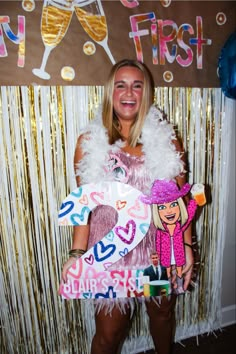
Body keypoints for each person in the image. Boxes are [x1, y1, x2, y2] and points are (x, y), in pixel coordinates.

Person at [61, 59, 194, 354]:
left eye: (137, 85)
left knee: (161, 314)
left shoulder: (167, 141)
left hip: (157, 248)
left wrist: (184, 246)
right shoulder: (90, 141)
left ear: (146, 93)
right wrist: (77, 254)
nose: (129, 92)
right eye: (121, 84)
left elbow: (179, 200)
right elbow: (85, 203)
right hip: (111, 249)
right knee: (109, 332)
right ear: (111, 91)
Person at [141, 180, 197, 294]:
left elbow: (187, 216)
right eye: (162, 207)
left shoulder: (171, 227)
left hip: (167, 254)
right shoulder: (162, 232)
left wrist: (186, 245)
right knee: (113, 306)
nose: (169, 210)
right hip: (115, 243)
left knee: (160, 299)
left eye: (173, 205)